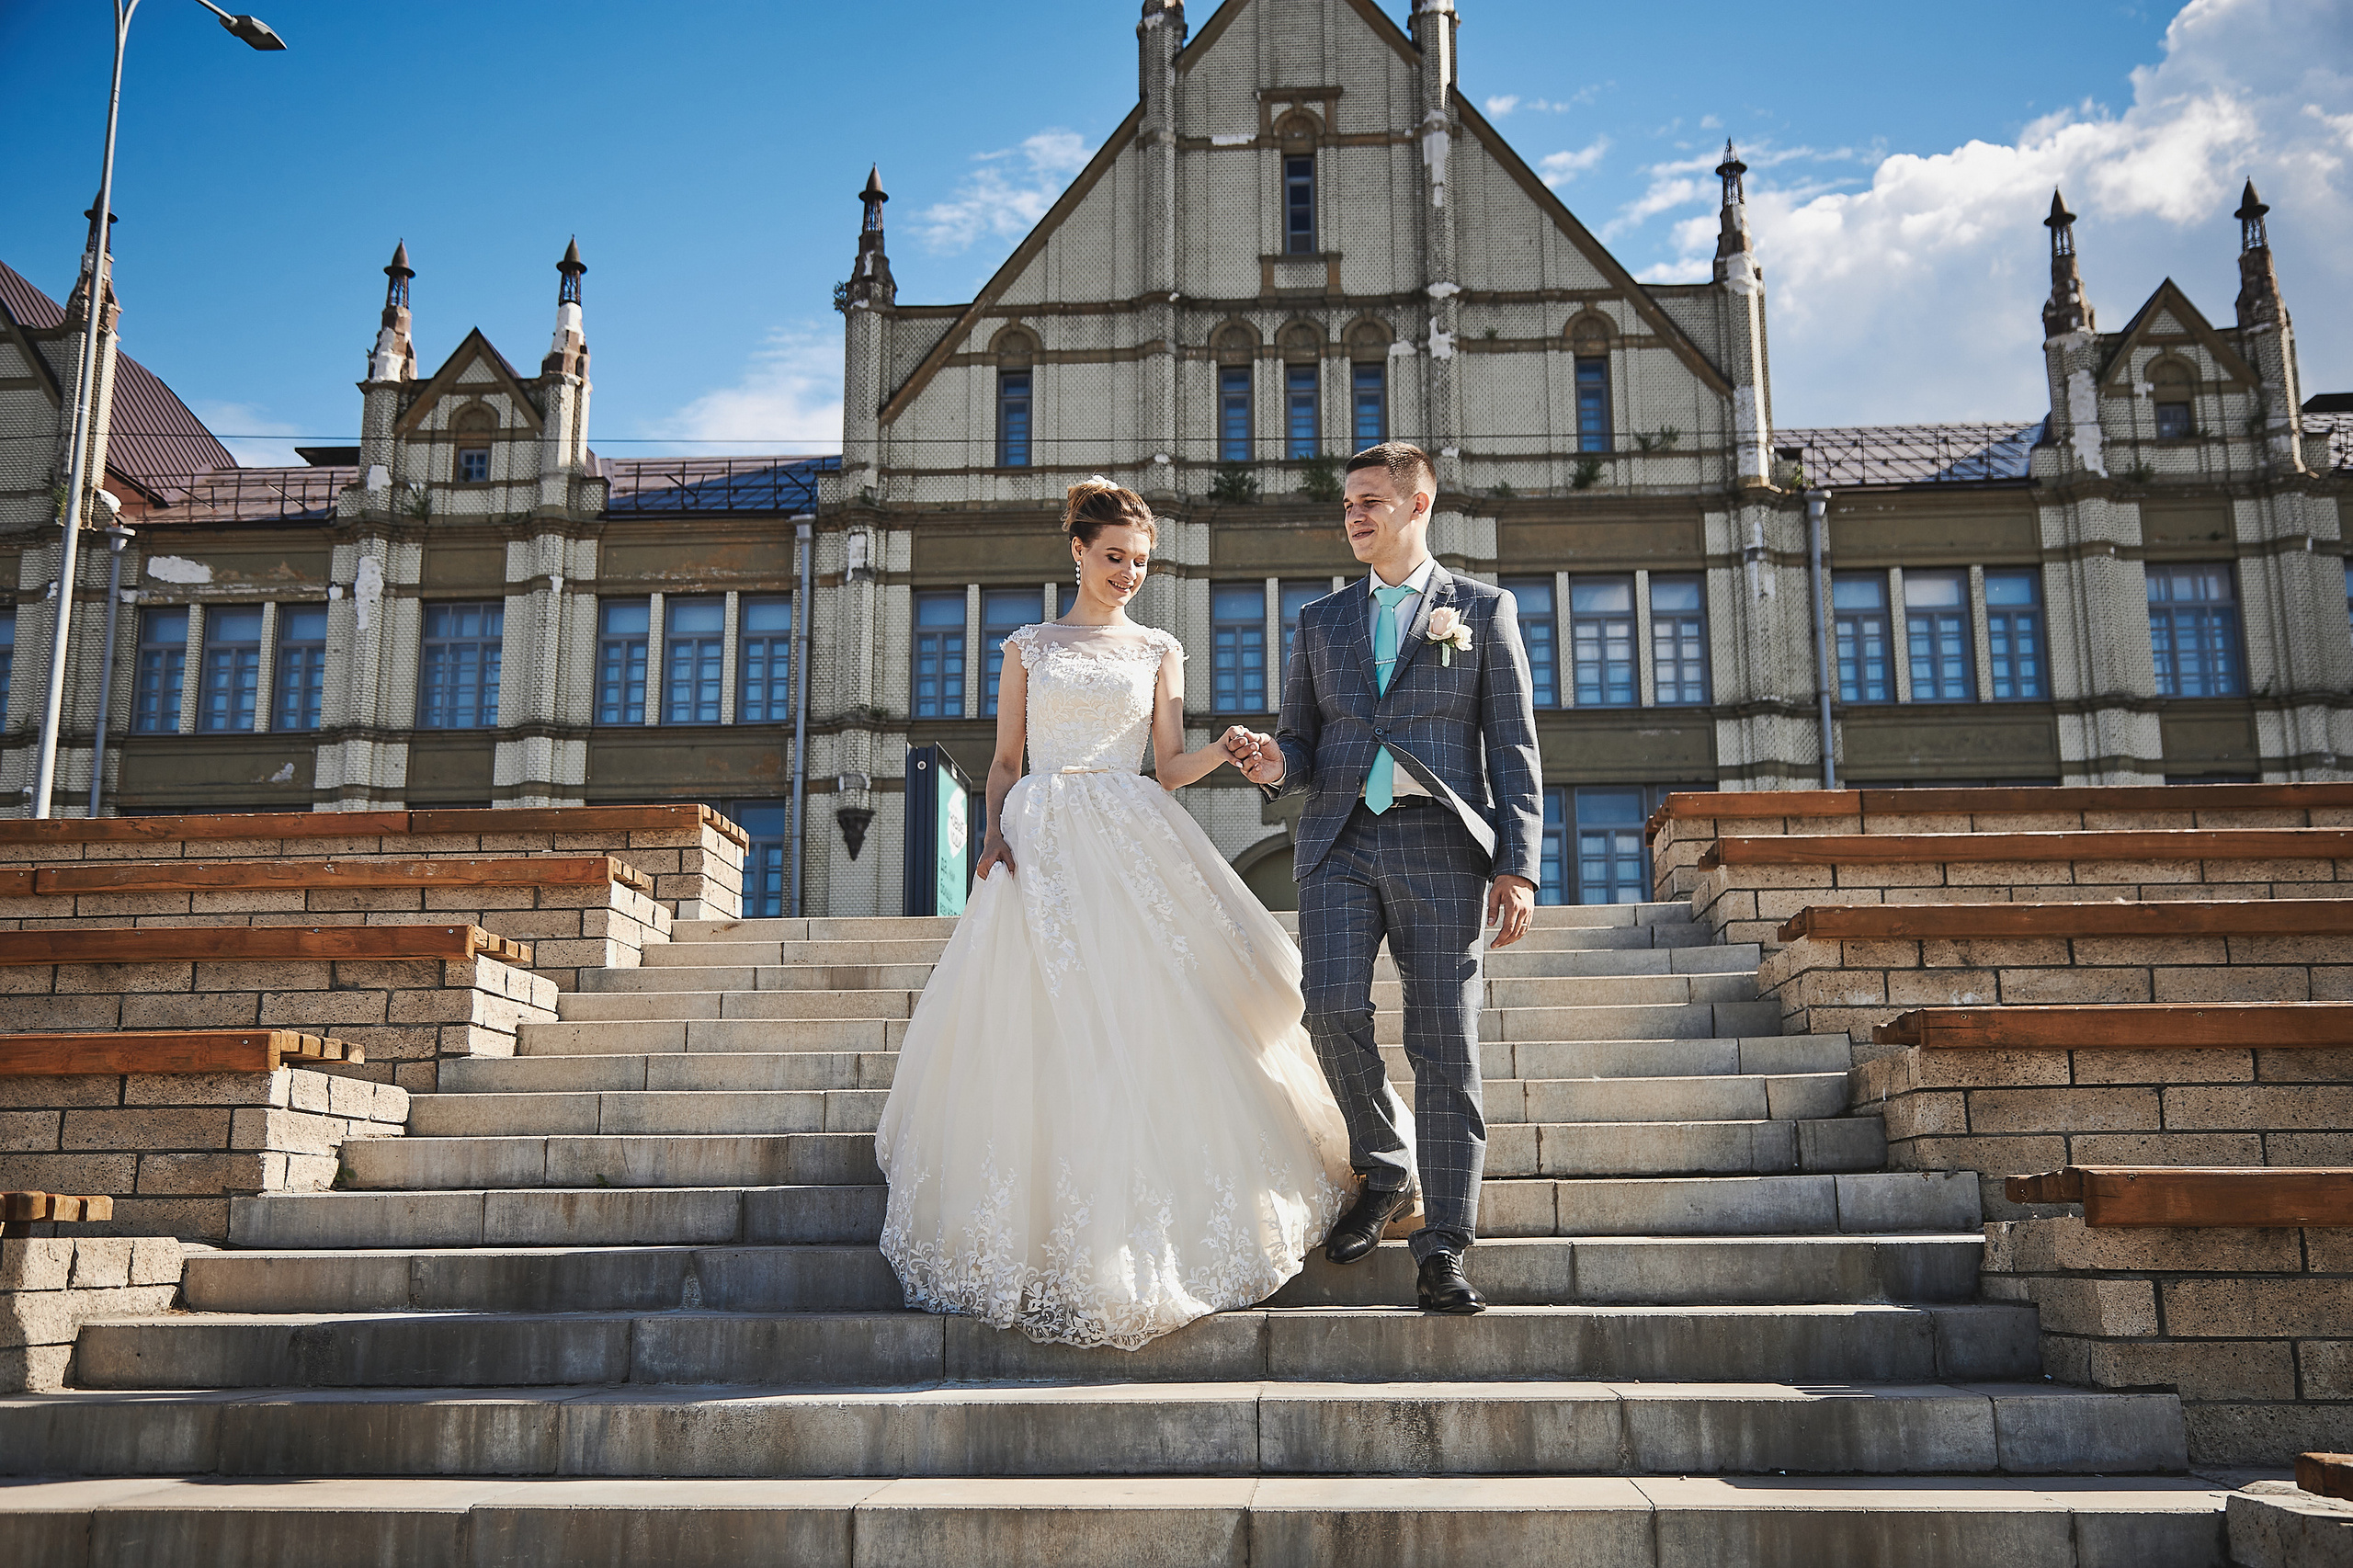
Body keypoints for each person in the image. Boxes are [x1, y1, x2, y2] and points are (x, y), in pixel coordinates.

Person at [875, 478, 1391, 1351]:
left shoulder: (1158, 647)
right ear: (1077, 551)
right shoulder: (1028, 647)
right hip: (1042, 835)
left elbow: (1165, 767)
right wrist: (996, 838)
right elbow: (1005, 760)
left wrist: (1221, 754)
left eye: (1141, 562)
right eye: (1114, 557)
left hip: (1131, 826)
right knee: (1043, 1013)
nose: (1128, 574)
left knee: (1155, 1003)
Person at [1223, 441, 1542, 1316]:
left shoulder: (1481, 609)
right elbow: (1300, 743)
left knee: (1446, 1046)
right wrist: (1267, 760)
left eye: (1369, 501)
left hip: (1444, 847)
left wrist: (1517, 865)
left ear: (1418, 503)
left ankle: (1444, 1246)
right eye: (1348, 504)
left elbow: (1512, 749)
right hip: (1338, 841)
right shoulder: (1320, 621)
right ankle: (1385, 1163)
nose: (1353, 516)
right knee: (1327, 1006)